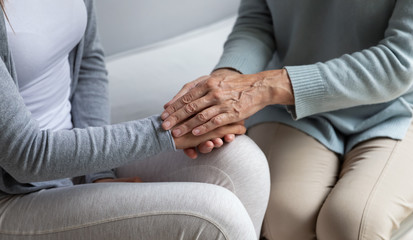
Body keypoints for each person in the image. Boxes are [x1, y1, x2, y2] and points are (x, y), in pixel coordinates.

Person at [0, 0, 270, 239]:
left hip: (72, 160)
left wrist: (98, 173)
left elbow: (88, 63)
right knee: (216, 218)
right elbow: (26, 156)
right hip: (14, 193)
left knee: (242, 165)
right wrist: (171, 130)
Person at [161, 0, 413, 239]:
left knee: (352, 224)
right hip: (291, 109)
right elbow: (258, 21)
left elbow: (399, 62)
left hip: (400, 107)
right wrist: (221, 88)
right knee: (285, 220)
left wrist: (262, 88)